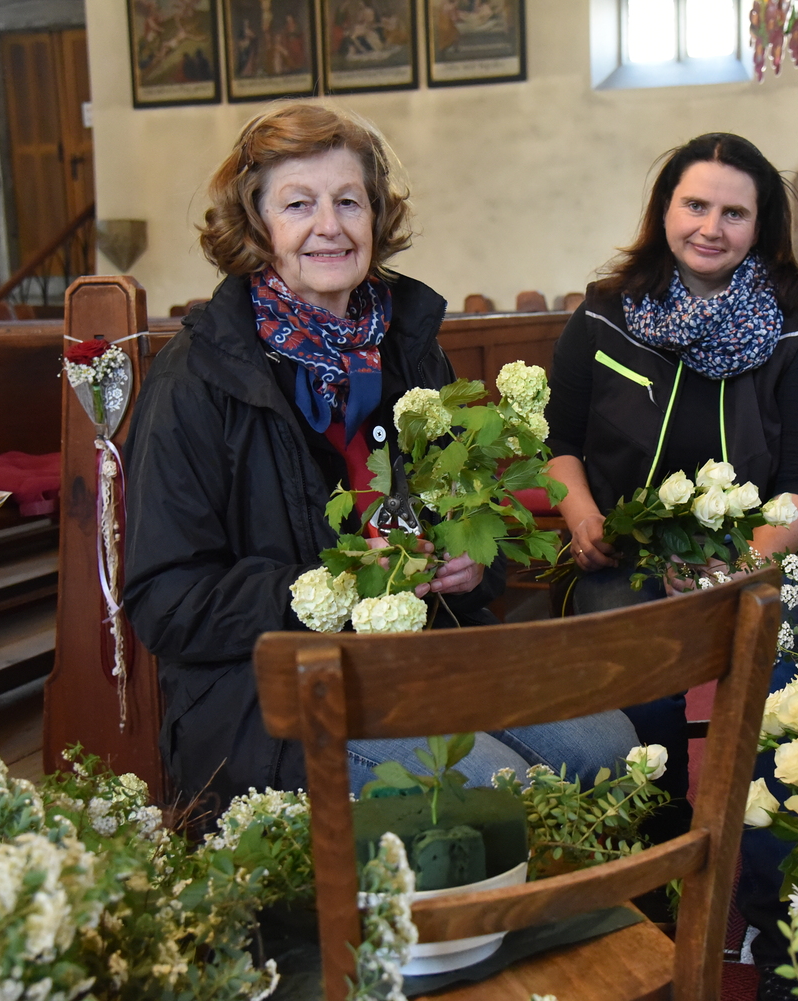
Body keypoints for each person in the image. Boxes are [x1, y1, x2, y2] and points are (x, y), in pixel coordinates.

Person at [122, 103, 637, 817]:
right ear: (256, 225)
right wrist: (335, 586)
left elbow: (468, 516)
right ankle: (493, 924)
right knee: (482, 786)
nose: (328, 225)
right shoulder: (197, 380)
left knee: (607, 747)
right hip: (269, 692)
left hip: (419, 653)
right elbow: (165, 601)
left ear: (376, 218)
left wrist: (467, 566)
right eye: (298, 204)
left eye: (348, 201)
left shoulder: (407, 346)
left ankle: (575, 921)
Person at [543, 131, 798, 996]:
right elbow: (560, 443)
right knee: (631, 728)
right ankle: (644, 920)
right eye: (695, 205)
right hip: (623, 565)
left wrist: (739, 566)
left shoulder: (791, 328)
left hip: (748, 565)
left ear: (760, 224)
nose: (711, 226)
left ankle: (781, 930)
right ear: (664, 210)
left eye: (733, 211)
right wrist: (579, 505)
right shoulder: (603, 311)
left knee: (783, 727)